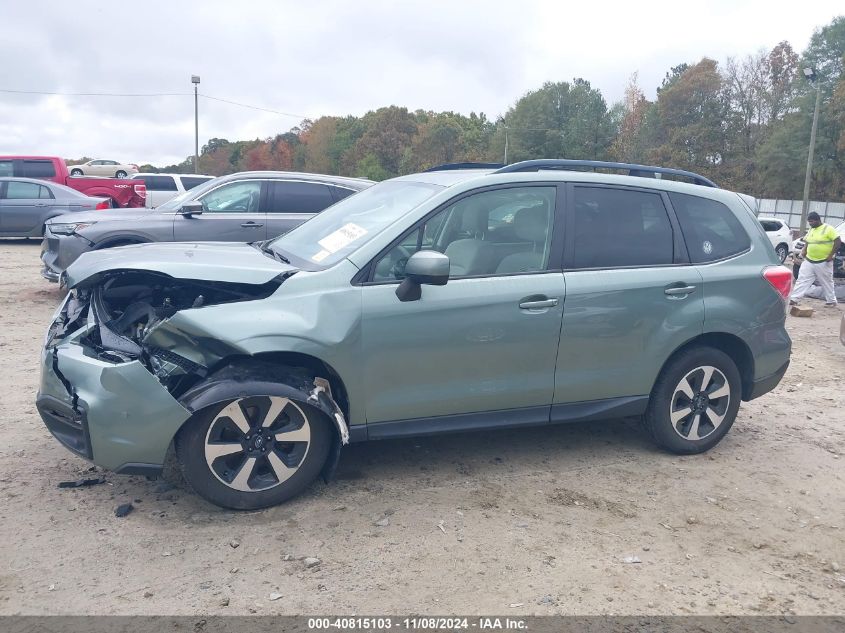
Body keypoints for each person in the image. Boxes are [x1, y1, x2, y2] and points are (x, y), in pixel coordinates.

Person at [790, 212, 841, 307]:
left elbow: (837, 241)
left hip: (824, 261)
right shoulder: (811, 229)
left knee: (827, 281)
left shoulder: (828, 229)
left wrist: (831, 254)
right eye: (809, 222)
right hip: (809, 260)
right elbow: (808, 241)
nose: (810, 223)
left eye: (812, 221)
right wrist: (804, 250)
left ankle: (831, 301)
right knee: (802, 279)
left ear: (818, 220)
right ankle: (794, 299)